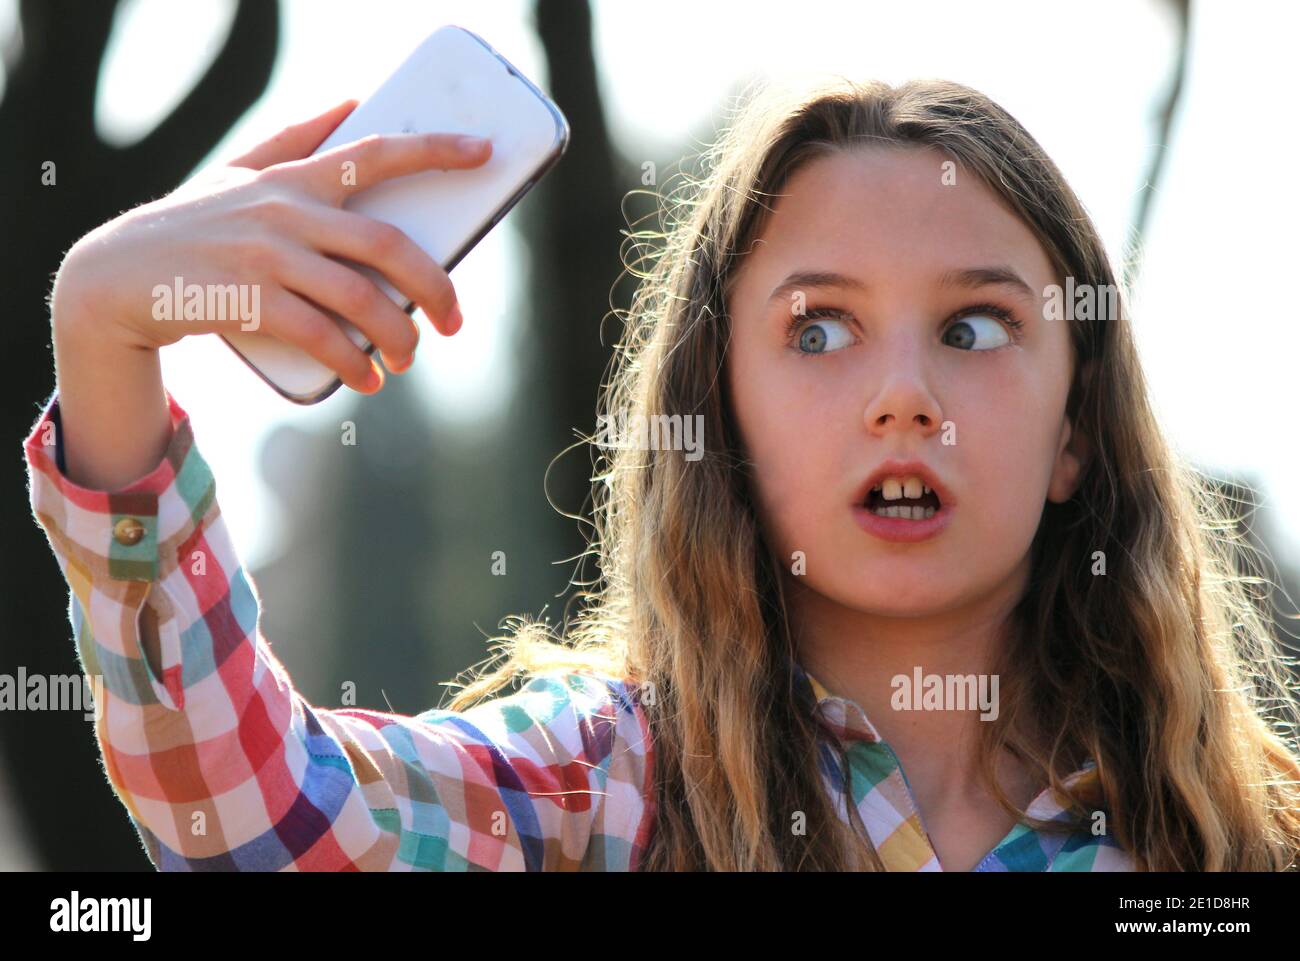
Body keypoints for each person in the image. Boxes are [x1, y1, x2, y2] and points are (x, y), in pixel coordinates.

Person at [25, 78, 1300, 871]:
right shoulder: (605, 789)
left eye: (973, 327)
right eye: (816, 328)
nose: (901, 393)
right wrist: (105, 331)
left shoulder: (1236, 843)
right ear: (722, 415)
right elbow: (254, 822)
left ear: (1075, 428)